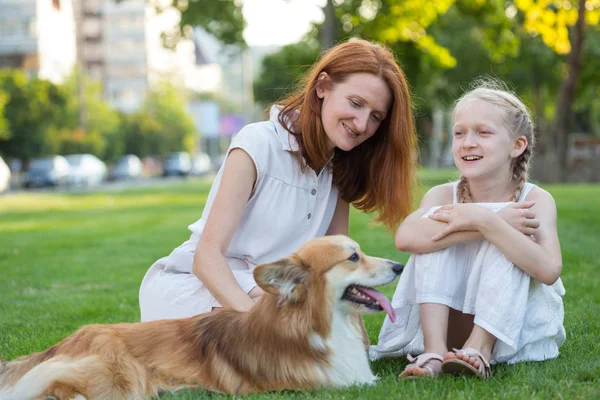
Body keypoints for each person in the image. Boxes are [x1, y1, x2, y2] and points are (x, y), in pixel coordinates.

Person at [139, 39, 418, 322]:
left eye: (375, 117)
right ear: (322, 87)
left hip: (276, 292)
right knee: (292, 319)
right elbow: (207, 258)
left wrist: (359, 342)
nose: (361, 124)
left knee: (306, 314)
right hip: (199, 289)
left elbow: (338, 267)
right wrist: (258, 326)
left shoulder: (340, 169)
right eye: (355, 103)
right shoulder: (258, 143)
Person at [369, 79, 566, 380]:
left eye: (483, 132)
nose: (467, 142)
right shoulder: (441, 196)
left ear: (517, 145)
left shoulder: (535, 200)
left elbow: (549, 270)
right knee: (433, 231)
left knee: (509, 241)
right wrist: (480, 220)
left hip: (508, 332)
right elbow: (405, 237)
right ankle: (433, 352)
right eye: (459, 133)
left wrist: (490, 223)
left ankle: (479, 349)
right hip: (448, 327)